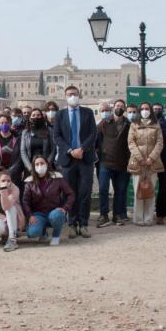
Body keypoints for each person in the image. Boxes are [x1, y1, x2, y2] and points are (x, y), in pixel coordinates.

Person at [53, 85, 97, 239]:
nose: (72, 96)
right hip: (68, 159)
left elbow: (93, 133)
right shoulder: (60, 115)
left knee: (85, 192)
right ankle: (72, 223)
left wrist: (82, 149)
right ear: (65, 96)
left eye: (75, 94)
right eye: (70, 94)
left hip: (85, 158)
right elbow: (57, 136)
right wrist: (70, 150)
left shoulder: (88, 113)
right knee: (70, 193)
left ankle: (83, 224)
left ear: (79, 95)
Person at [23, 156, 75, 246]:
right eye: (37, 164)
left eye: (42, 163)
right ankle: (43, 232)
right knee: (33, 233)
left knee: (57, 215)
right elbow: (25, 201)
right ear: (34, 167)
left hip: (54, 212)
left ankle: (56, 236)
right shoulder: (29, 182)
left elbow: (71, 194)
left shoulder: (57, 178)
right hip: (38, 214)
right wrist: (30, 216)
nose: (40, 166)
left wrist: (65, 208)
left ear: (47, 164)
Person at [127, 102, 164, 226]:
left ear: (151, 110)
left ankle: (148, 218)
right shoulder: (134, 124)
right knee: (138, 190)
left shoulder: (156, 125)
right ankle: (138, 219)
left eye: (147, 108)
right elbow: (131, 143)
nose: (144, 110)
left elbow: (159, 143)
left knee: (150, 191)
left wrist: (151, 158)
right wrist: (140, 158)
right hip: (138, 163)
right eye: (142, 108)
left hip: (152, 163)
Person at [96, 99, 131, 227]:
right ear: (113, 107)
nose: (119, 108)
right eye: (117, 106)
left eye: (122, 106)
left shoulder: (129, 124)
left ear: (125, 109)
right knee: (103, 189)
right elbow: (95, 138)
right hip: (105, 162)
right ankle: (103, 215)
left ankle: (117, 215)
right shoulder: (104, 122)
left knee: (120, 190)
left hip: (122, 163)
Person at [0, 168, 26, 251]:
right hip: (2, 217)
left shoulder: (15, 189)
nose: (6, 183)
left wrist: (3, 191)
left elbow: (6, 207)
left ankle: (12, 240)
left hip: (15, 216)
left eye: (8, 181)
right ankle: (5, 235)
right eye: (3, 180)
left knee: (10, 208)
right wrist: (4, 219)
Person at [0, 114, 23, 191]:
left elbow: (20, 156)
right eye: (2, 123)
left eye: (6, 122)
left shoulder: (18, 138)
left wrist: (9, 171)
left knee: (12, 200)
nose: (4, 125)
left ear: (10, 124)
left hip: (13, 176)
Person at [21, 108, 56, 176]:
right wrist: (30, 168)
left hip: (46, 167)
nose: (36, 117)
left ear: (42, 117)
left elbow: (53, 150)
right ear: (30, 117)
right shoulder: (25, 132)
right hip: (30, 168)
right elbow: (23, 151)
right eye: (33, 115)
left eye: (38, 115)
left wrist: (46, 165)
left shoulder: (49, 131)